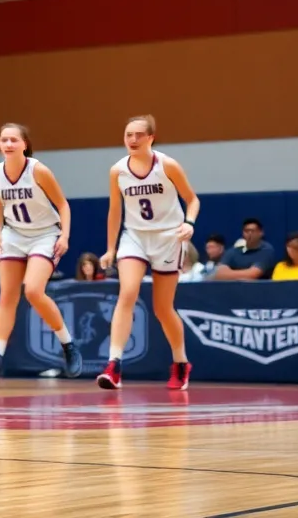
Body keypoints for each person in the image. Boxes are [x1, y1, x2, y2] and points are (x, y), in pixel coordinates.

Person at [98, 115, 199, 391]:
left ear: (151, 138)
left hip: (168, 238)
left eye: (138, 135)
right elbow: (115, 211)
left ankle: (180, 363)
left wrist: (189, 223)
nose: (132, 140)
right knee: (127, 292)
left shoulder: (167, 165)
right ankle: (114, 364)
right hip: (135, 238)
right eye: (128, 134)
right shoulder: (117, 170)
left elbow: (192, 200)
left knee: (162, 309)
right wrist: (110, 248)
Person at [0, 124, 81, 384]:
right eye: (3, 139)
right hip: (13, 234)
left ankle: (67, 344)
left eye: (13, 140)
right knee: (6, 296)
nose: (7, 144)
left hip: (44, 234)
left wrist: (64, 236)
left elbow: (62, 205)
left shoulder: (38, 170)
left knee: (33, 290)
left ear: (24, 144)